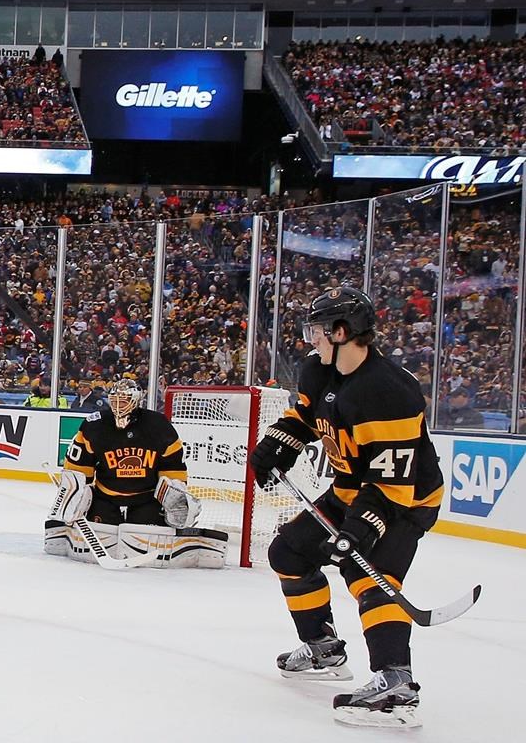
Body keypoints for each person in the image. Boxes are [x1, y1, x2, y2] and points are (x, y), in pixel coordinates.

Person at [249, 286, 441, 728]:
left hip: (406, 499)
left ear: (342, 332)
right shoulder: (317, 371)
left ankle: (396, 681)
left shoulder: (389, 390)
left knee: (371, 577)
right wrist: (276, 447)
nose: (310, 338)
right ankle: (324, 648)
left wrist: (362, 529)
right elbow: (304, 418)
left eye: (318, 329)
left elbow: (392, 483)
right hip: (351, 490)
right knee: (289, 553)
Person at [45, 379, 223, 567]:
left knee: (147, 535)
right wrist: (77, 494)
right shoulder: (95, 425)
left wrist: (175, 494)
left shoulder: (158, 425)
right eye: (114, 400)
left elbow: (173, 468)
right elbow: (78, 467)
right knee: (102, 531)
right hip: (106, 497)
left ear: (136, 401)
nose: (118, 406)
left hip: (145, 500)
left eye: (124, 401)